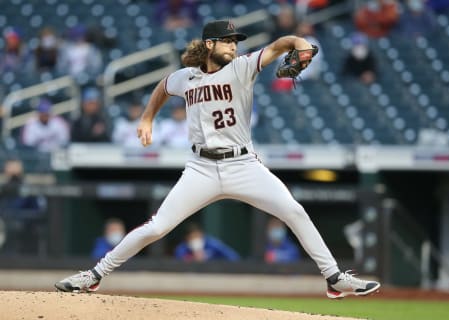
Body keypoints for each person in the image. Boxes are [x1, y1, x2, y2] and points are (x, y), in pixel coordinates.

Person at [55, 19, 380, 299]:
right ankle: (94, 275)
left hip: (243, 165)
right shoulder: (186, 77)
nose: (234, 46)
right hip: (201, 168)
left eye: (236, 41)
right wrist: (146, 118)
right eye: (227, 41)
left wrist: (301, 45)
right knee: (157, 228)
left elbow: (281, 44)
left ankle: (335, 279)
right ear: (210, 44)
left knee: (294, 211)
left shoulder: (242, 68)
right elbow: (162, 87)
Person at [174, 223, 240, 262]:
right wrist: (192, 257)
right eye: (191, 237)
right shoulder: (182, 248)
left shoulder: (213, 243)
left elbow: (233, 257)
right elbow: (178, 262)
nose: (195, 239)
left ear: (201, 234)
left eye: (197, 236)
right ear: (186, 238)